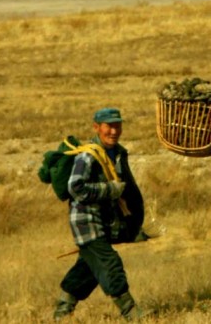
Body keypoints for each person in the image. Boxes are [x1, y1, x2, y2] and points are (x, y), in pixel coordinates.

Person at [54, 107, 145, 320]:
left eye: (117, 126)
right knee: (109, 263)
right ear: (97, 127)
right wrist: (109, 190)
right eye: (109, 126)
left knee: (89, 267)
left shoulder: (118, 152)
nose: (114, 131)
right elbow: (75, 187)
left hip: (104, 222)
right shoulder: (88, 155)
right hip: (86, 221)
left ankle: (62, 310)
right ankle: (132, 313)